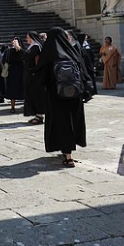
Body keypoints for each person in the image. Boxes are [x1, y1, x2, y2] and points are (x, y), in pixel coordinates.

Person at [35, 27, 87, 168]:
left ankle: (68, 156)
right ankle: (68, 152)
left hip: (56, 96)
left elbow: (41, 79)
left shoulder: (49, 55)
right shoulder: (72, 53)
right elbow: (84, 74)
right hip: (75, 96)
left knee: (62, 124)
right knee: (72, 122)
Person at [16, 32, 46, 125]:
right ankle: (37, 114)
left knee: (36, 95)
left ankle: (40, 115)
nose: (26, 39)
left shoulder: (36, 46)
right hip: (31, 75)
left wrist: (18, 47)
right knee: (32, 95)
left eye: (28, 37)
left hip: (34, 75)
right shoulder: (33, 46)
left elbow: (27, 56)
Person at [2, 39, 24, 113]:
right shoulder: (22, 51)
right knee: (22, 88)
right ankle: (25, 106)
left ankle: (12, 107)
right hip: (21, 71)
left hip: (11, 72)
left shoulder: (8, 51)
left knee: (12, 90)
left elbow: (3, 60)